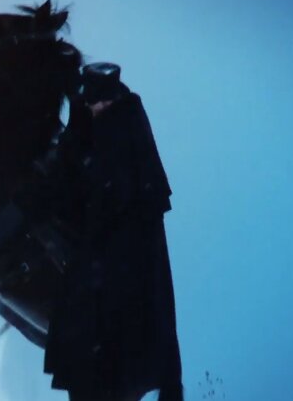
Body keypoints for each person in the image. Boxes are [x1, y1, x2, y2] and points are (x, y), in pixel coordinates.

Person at [41, 63, 184, 401]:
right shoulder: (88, 132)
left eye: (103, 102)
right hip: (93, 301)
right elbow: (63, 190)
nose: (98, 108)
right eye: (94, 102)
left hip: (115, 301)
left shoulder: (124, 131)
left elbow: (113, 196)